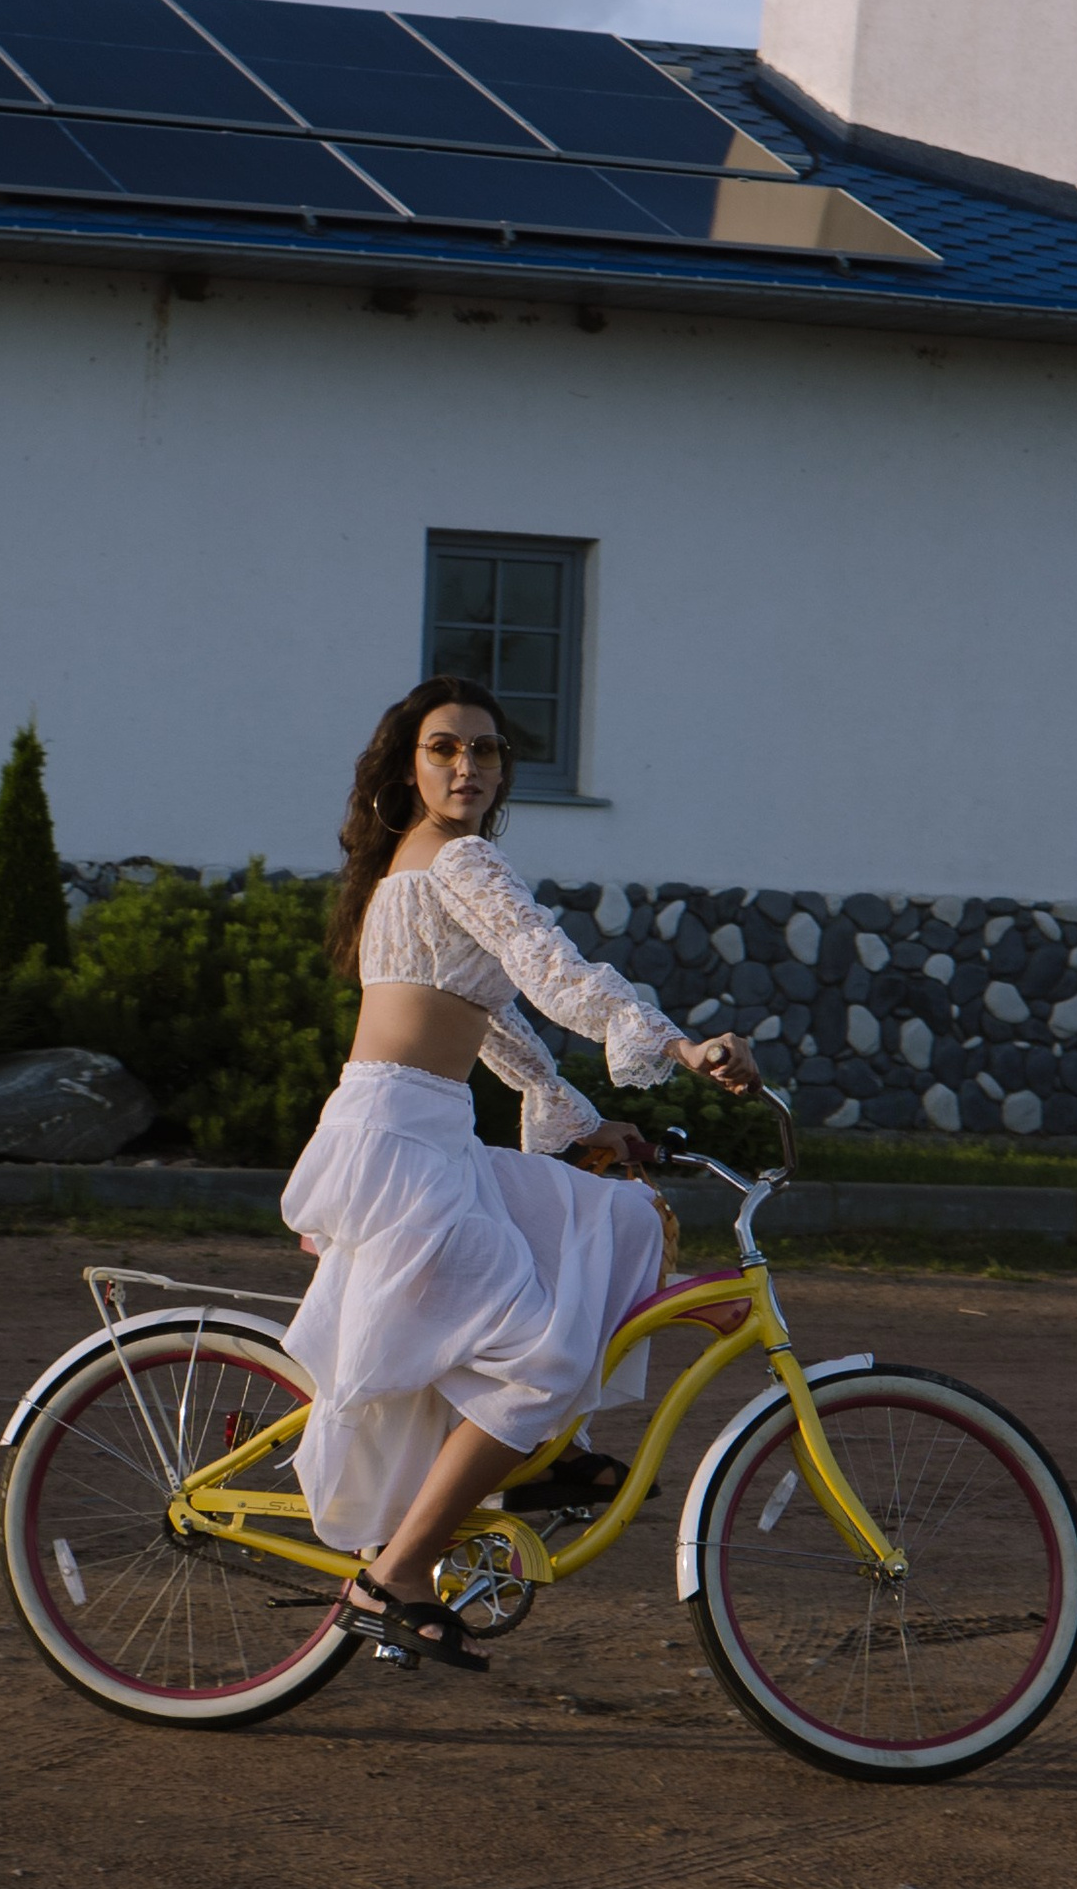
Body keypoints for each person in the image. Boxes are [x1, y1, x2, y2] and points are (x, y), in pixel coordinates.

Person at [280, 674, 760, 1674]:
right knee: (535, 1356)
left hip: (428, 1133)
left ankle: (534, 1464)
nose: (466, 766)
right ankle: (393, 1575)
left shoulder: (425, 870)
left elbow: (494, 1022)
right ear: (407, 768)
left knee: (613, 1224)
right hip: (399, 1144)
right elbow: (554, 971)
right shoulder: (458, 860)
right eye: (444, 748)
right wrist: (678, 1050)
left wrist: (589, 1124)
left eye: (485, 751)